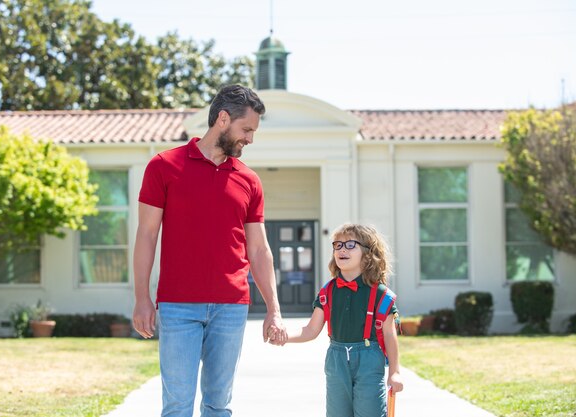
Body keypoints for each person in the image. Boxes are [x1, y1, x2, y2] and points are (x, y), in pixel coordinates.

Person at [132, 84, 287, 417]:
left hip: (230, 308)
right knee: (177, 406)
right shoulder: (163, 166)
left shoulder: (249, 181)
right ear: (222, 118)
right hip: (177, 306)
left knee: (219, 405)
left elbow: (259, 250)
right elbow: (146, 235)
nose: (250, 138)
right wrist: (142, 297)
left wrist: (273, 308)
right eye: (246, 129)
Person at [271, 223, 403, 417]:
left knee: (370, 412)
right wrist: (284, 336)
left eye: (350, 244)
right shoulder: (328, 291)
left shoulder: (380, 294)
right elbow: (310, 330)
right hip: (336, 359)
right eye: (338, 245)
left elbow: (390, 336)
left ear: (367, 254)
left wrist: (394, 372)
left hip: (368, 360)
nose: (342, 249)